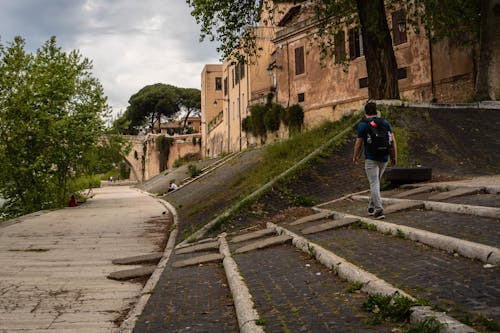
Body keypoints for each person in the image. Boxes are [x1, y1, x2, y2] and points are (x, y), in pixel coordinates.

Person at [353, 102, 397, 219]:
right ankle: (371, 206)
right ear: (376, 111)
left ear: (365, 113)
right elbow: (392, 141)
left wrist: (355, 156)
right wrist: (394, 157)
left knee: (374, 183)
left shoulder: (363, 125)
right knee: (376, 181)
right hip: (384, 157)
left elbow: (358, 143)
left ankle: (379, 210)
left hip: (371, 158)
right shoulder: (385, 123)